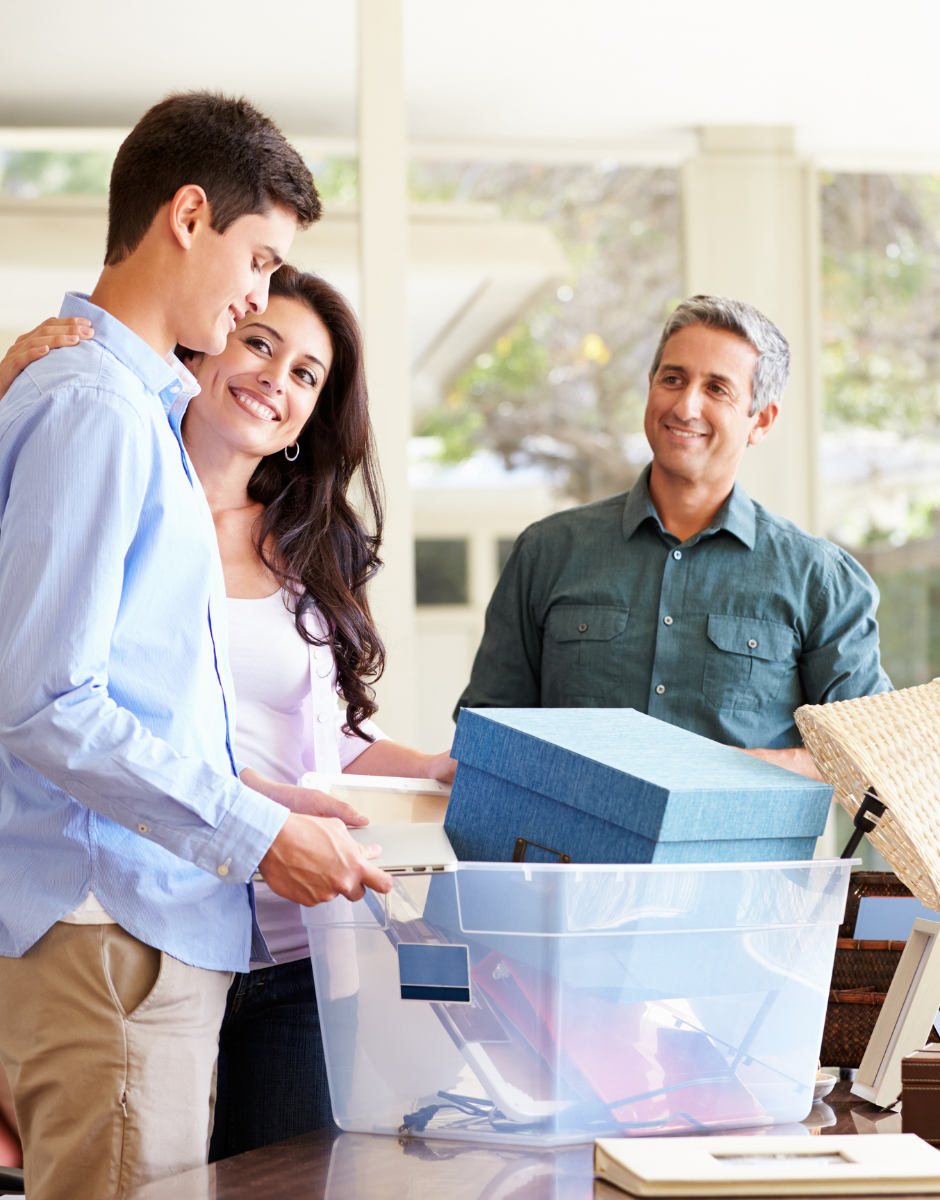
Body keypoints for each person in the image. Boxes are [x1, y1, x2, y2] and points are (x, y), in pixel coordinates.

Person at [0, 93, 392, 1200]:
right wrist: (257, 832)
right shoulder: (96, 410)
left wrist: (270, 797)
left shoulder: (116, 403)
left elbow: (130, 693)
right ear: (186, 216)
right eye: (259, 261)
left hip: (134, 925)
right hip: (111, 921)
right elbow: (43, 700)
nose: (256, 296)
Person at [457, 295, 892, 778]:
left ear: (761, 420)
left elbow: (870, 758)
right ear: (650, 387)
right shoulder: (548, 552)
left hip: (746, 854)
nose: (685, 406)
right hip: (576, 855)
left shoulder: (820, 579)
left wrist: (719, 769)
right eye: (673, 379)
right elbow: (486, 737)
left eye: (717, 389)